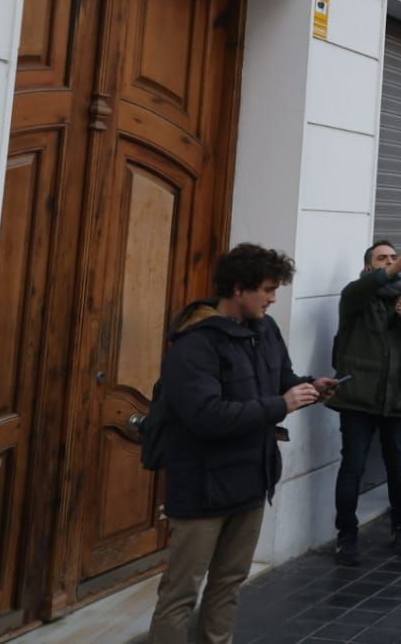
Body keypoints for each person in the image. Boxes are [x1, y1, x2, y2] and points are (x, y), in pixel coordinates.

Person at [149, 244, 336, 643]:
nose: (272, 299)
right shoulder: (194, 344)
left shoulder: (265, 330)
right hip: (202, 485)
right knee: (181, 593)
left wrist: (308, 386)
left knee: (229, 583)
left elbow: (281, 377)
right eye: (267, 290)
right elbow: (205, 415)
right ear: (238, 288)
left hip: (252, 478)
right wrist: (280, 405)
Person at [329, 242, 401, 566]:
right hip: (359, 396)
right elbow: (363, 289)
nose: (390, 262)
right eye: (383, 259)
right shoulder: (355, 295)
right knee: (353, 468)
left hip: (397, 396)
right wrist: (399, 265)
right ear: (370, 266)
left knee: (399, 468)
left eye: (393, 257)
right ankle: (346, 535)